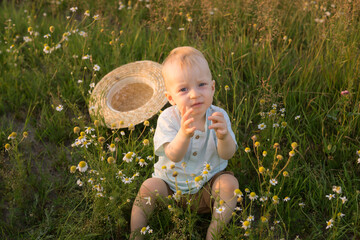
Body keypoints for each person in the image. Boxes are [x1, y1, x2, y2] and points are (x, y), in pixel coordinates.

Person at [130, 46, 239, 239]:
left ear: (212, 87)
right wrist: (183, 135)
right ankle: (136, 234)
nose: (195, 94)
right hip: (171, 190)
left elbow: (227, 154)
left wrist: (224, 137)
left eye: (202, 85)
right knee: (148, 186)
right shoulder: (168, 119)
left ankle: (213, 233)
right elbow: (173, 154)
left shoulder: (218, 116)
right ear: (171, 98)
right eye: (183, 89)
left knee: (230, 185)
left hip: (208, 186)